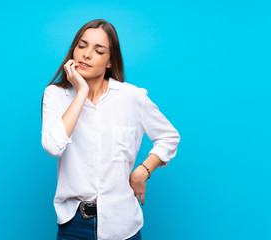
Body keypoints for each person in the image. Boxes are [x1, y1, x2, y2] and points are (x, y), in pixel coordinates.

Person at [41, 19, 180, 240]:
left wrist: (143, 171)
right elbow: (53, 146)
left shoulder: (132, 97)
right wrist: (81, 93)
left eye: (98, 50)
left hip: (122, 224)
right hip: (74, 225)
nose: (86, 55)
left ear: (109, 62)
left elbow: (169, 137)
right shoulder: (55, 95)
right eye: (82, 45)